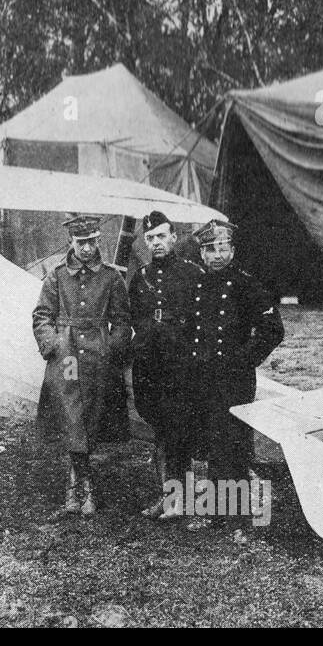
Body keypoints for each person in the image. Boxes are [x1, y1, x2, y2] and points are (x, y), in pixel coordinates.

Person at [186, 219, 284, 528]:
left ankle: (242, 518)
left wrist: (243, 360)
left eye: (222, 248)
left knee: (236, 442)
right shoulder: (195, 286)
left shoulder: (246, 284)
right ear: (201, 254)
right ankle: (214, 512)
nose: (216, 255)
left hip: (235, 378)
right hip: (203, 375)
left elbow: (272, 329)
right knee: (211, 442)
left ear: (232, 250)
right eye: (209, 249)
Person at [32, 215, 131, 516]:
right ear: (71, 243)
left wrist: (111, 348)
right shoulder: (57, 276)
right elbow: (41, 316)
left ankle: (78, 479)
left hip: (99, 358)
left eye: (91, 242)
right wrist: (54, 345)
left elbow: (123, 321)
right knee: (72, 415)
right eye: (81, 243)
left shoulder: (112, 278)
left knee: (92, 418)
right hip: (68, 358)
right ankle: (81, 486)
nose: (87, 249)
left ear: (99, 240)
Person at [128, 211, 202, 519]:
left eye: (161, 236)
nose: (156, 243)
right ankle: (167, 496)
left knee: (180, 429)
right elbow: (135, 318)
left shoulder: (192, 273)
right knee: (159, 426)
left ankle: (180, 498)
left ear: (173, 237)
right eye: (150, 238)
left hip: (181, 362)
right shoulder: (141, 277)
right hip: (150, 363)